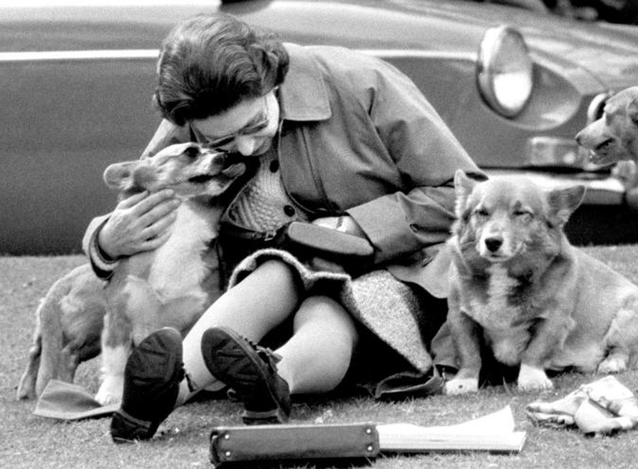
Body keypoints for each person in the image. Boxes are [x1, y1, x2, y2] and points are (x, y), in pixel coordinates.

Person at [83, 12, 483, 442]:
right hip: (266, 281)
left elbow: (464, 193)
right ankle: (164, 393)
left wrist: (356, 226)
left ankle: (276, 377)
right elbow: (141, 192)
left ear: (272, 78)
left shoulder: (361, 82)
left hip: (392, 268)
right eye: (222, 142)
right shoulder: (197, 110)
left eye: (255, 125)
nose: (246, 147)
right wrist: (105, 241)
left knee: (330, 307)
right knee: (277, 270)